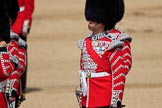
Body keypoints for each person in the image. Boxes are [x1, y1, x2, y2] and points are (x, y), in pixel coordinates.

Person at [77, 0, 132, 107]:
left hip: (103, 95)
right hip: (88, 96)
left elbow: (120, 72)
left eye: (95, 17)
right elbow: (83, 72)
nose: (91, 20)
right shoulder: (85, 42)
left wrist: (115, 100)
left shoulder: (116, 41)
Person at [11, 0, 35, 93]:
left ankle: (21, 85)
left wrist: (27, 22)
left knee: (20, 55)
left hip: (19, 22)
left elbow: (29, 4)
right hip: (6, 21)